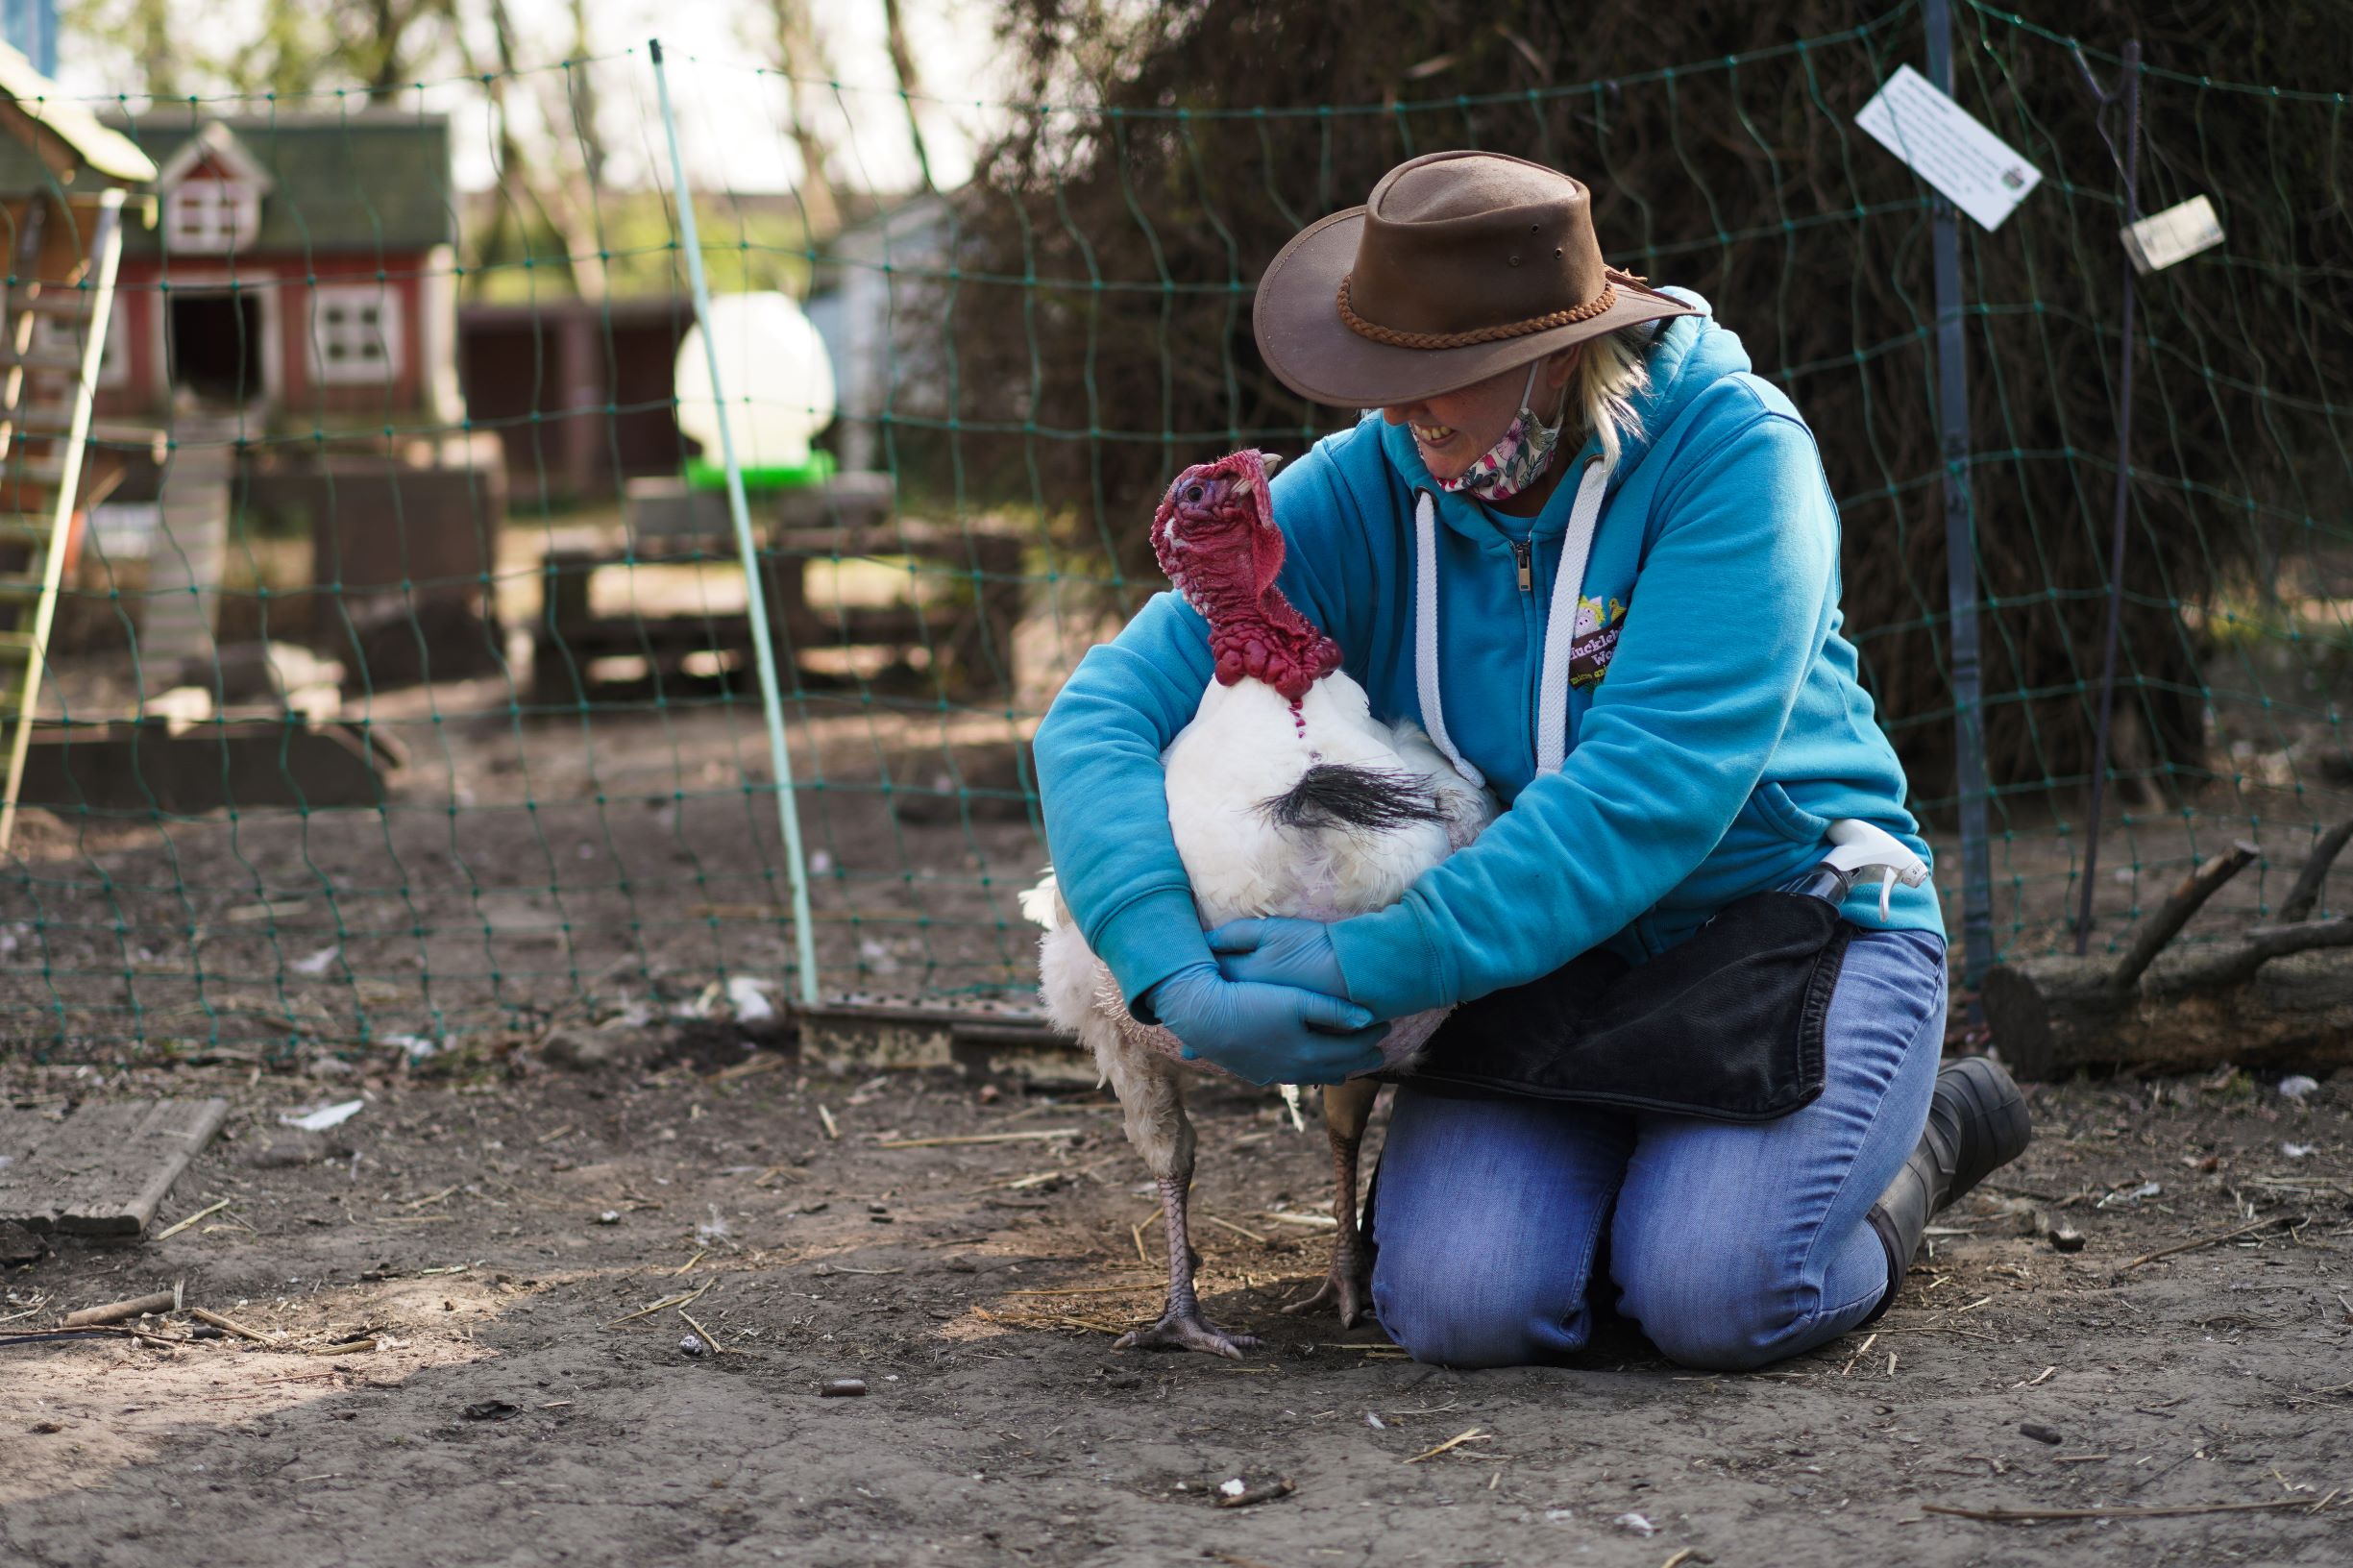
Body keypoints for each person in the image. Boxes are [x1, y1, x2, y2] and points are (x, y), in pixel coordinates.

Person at [1031, 151, 2028, 1370]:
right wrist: (1168, 977)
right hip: (1536, 961)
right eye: (1386, 376)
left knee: (1723, 1295)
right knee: (1463, 1309)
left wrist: (1362, 960)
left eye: (1445, 377)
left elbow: (1640, 800)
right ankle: (1674, 1191)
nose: (1407, 411)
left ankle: (1910, 1145)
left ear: (1562, 351)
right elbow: (1100, 715)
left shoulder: (1734, 460)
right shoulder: (1366, 486)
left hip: (1786, 927)